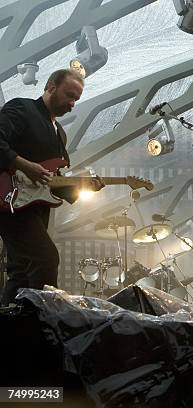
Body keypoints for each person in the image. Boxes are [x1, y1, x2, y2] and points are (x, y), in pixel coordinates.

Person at [0, 69, 104, 305]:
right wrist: (25, 165)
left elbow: (53, 183)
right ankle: (42, 322)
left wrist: (84, 185)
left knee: (21, 271)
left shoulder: (60, 135)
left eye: (76, 99)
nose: (72, 103)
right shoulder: (22, 109)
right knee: (45, 259)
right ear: (50, 86)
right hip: (9, 199)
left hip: (34, 208)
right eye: (69, 95)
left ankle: (11, 329)